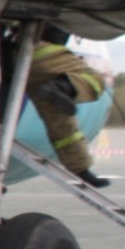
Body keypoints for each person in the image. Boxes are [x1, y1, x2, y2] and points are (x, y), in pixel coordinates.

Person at [26, 30, 110, 187]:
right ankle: (62, 86)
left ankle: (81, 169)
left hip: (9, 60)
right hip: (36, 50)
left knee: (57, 115)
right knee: (96, 79)